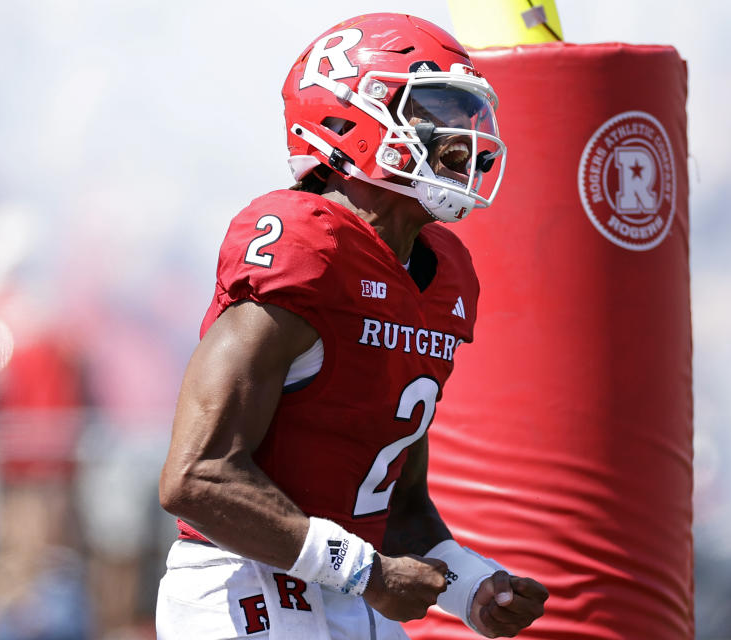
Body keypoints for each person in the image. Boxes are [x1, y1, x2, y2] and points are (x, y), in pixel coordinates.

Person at [156, 12, 547, 640]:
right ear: (347, 118)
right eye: (437, 107)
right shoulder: (305, 247)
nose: (463, 136)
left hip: (351, 594)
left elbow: (394, 503)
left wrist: (474, 585)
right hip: (245, 585)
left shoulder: (444, 273)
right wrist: (367, 573)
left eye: (470, 114)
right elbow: (197, 477)